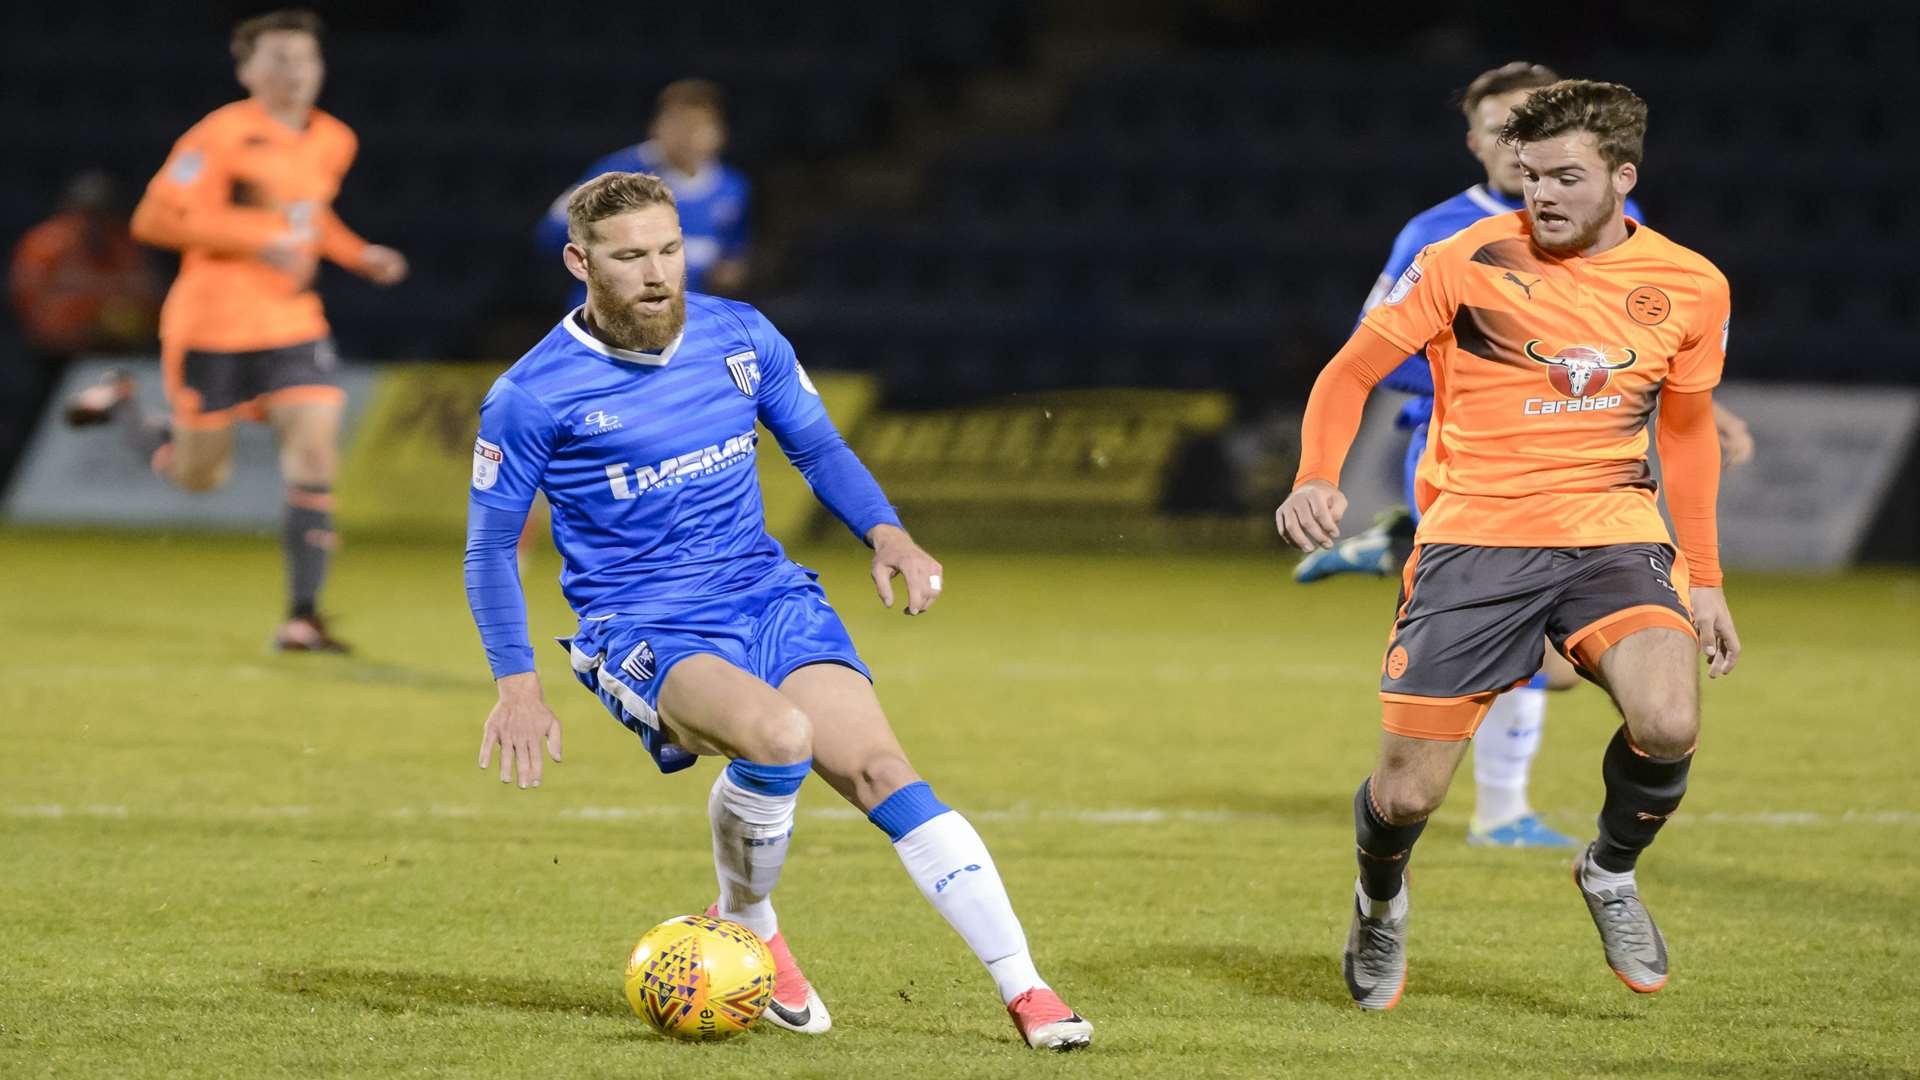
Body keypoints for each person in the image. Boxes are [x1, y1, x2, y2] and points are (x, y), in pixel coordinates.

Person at [465, 172, 1092, 1050]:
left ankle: (1027, 991)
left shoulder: (740, 334)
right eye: (630, 255)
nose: (656, 273)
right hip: (644, 625)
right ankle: (754, 923)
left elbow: (818, 445)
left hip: (768, 595)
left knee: (882, 771)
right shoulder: (533, 393)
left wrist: (889, 535)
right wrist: (517, 684)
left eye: (670, 250)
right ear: (580, 262)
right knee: (780, 738)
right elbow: (489, 548)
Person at [1275, 80, 1742, 1010]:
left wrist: (1708, 578)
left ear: (1623, 178)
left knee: (1669, 721)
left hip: (1612, 534)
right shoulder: (1462, 259)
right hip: (1474, 542)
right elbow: (1350, 369)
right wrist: (1316, 473)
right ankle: (1379, 900)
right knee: (1407, 798)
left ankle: (1609, 871)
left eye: (1567, 177)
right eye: (1531, 178)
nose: (1544, 197)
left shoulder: (1691, 285)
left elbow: (1686, 436)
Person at [62, 9, 408, 653]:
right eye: (276, 60)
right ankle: (125, 408)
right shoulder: (217, 137)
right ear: (246, 69)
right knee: (199, 477)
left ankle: (303, 616)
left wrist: (358, 254)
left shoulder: (334, 138)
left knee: (313, 454)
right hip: (211, 326)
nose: (292, 73)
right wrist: (256, 237)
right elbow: (153, 222)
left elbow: (310, 218)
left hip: (292, 323)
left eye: (303, 60)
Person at [535, 79, 750, 302]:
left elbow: (732, 254)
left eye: (699, 126)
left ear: (719, 133)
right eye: (678, 123)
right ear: (656, 125)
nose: (688, 137)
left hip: (682, 321)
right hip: (607, 316)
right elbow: (552, 233)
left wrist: (729, 273)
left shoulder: (733, 187)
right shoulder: (617, 174)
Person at [9, 170, 159, 361]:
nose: (93, 222)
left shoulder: (122, 245)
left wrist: (116, 321)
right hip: (55, 352)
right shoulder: (45, 245)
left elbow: (149, 295)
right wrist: (81, 323)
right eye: (86, 213)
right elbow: (28, 302)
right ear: (69, 210)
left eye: (102, 213)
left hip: (117, 348)